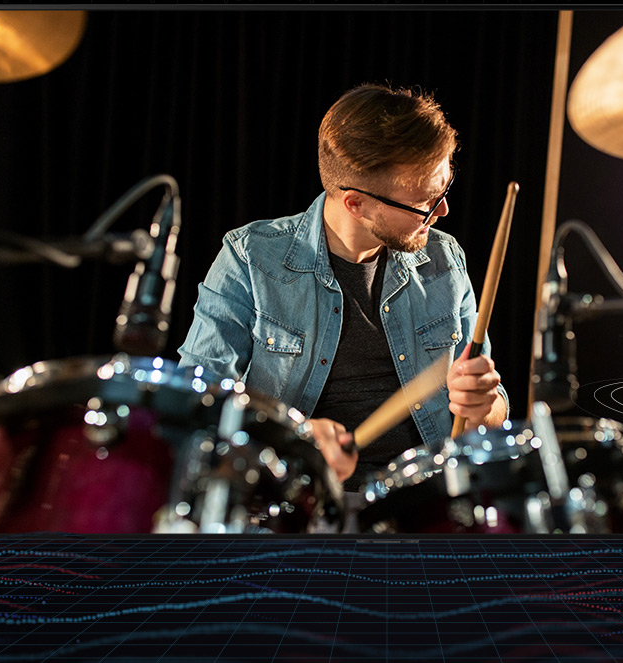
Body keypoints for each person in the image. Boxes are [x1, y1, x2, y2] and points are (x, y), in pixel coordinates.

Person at [177, 83, 508, 492]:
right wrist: (291, 436)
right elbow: (193, 405)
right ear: (357, 203)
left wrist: (485, 404)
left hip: (426, 498)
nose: (442, 211)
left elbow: (492, 409)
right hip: (298, 495)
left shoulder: (444, 259)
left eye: (444, 189)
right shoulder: (250, 258)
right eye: (425, 201)